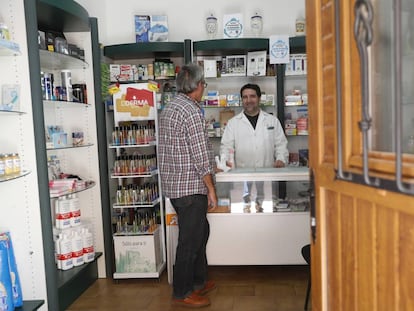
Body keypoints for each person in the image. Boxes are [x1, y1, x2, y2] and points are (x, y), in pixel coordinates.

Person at [158, 63, 218, 308]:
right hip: (191, 188)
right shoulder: (191, 111)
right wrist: (211, 188)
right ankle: (182, 292)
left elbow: (181, 149)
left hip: (176, 186)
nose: (204, 88)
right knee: (190, 241)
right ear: (197, 85)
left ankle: (198, 281)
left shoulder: (171, 106)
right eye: (204, 83)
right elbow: (199, 154)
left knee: (200, 233)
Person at [220, 83, 289, 212]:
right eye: (245, 97)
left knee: (266, 209)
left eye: (252, 96)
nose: (248, 100)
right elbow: (226, 147)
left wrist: (281, 159)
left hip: (267, 174)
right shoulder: (233, 123)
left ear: (259, 98)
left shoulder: (272, 121)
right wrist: (226, 162)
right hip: (242, 176)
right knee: (244, 210)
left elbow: (281, 144)